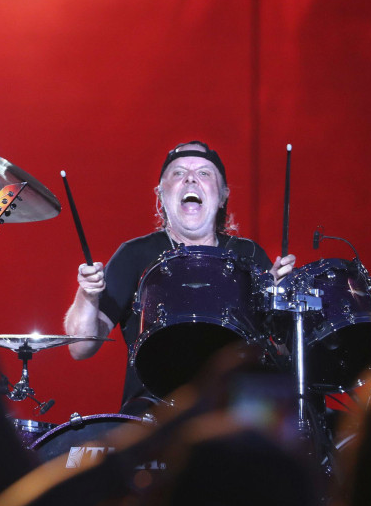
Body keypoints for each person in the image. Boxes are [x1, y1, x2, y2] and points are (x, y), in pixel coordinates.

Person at [64, 141, 295, 412]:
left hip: (234, 415)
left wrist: (281, 302)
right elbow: (80, 348)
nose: (190, 179)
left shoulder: (248, 255)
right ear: (160, 194)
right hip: (152, 415)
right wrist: (88, 295)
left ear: (222, 196)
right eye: (178, 173)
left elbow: (286, 352)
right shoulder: (135, 254)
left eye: (204, 174)